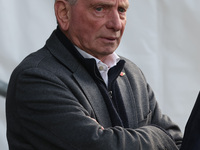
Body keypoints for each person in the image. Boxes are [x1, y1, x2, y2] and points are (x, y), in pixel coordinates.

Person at [6, 0, 182, 149]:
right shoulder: (35, 78)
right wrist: (158, 136)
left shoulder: (131, 74)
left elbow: (179, 141)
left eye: (121, 10)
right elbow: (102, 146)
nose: (116, 24)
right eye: (100, 9)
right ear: (64, 13)